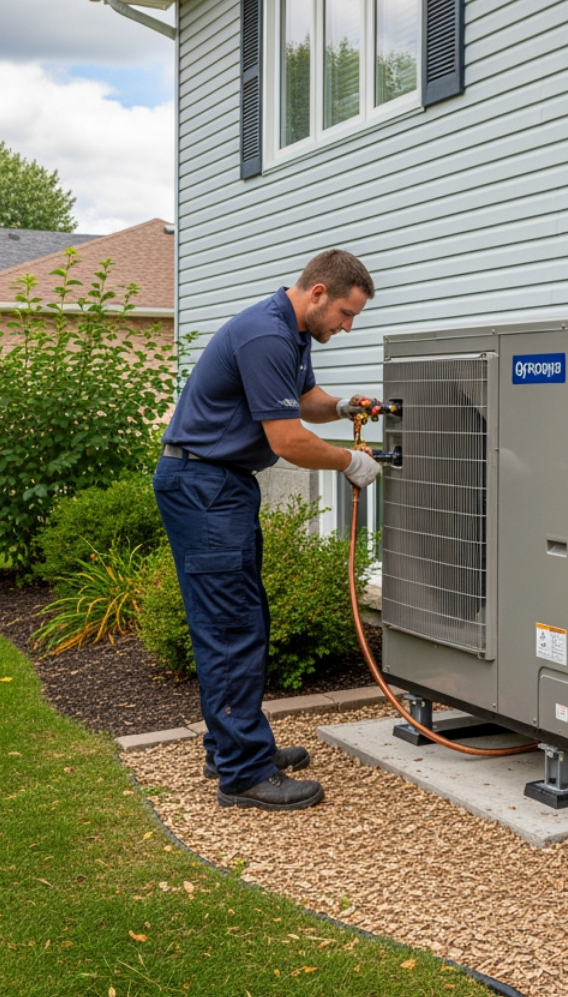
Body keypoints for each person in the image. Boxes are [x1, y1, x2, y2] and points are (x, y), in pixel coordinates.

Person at [154, 249, 386, 812]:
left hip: (219, 486)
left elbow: (304, 402)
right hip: (205, 487)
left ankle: (228, 747)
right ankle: (242, 774)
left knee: (242, 616)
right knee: (232, 628)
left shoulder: (290, 331)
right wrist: (350, 462)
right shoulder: (266, 335)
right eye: (346, 314)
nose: (348, 327)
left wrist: (343, 405)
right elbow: (287, 441)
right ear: (318, 294)